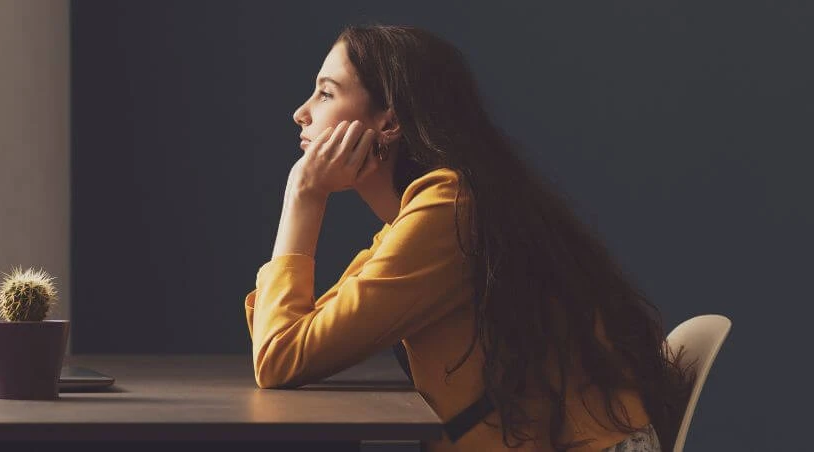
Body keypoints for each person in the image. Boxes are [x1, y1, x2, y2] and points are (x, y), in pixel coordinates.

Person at [244, 24, 693, 452]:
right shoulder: (423, 216)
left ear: (389, 122)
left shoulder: (448, 210)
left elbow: (280, 356)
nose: (301, 112)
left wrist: (303, 195)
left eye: (326, 93)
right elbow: (286, 341)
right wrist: (304, 196)